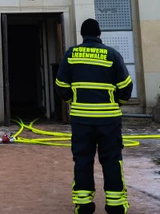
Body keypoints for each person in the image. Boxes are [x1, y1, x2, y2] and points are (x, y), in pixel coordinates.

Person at [56, 18, 133, 214]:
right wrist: (116, 101)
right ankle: (115, 205)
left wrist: (73, 99)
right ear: (99, 34)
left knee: (82, 160)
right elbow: (126, 87)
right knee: (112, 160)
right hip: (109, 120)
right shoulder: (112, 54)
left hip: (81, 119)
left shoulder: (71, 54)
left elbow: (61, 85)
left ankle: (83, 205)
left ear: (82, 35)